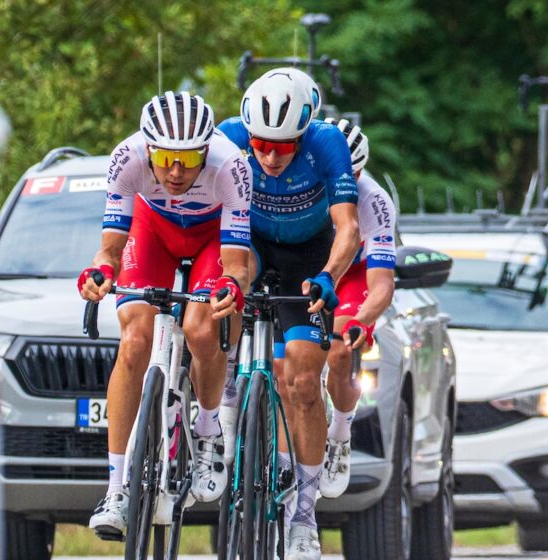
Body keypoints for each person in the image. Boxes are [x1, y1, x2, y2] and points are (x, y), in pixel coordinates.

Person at [79, 91, 252, 540]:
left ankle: (208, 430)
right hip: (152, 231)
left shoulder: (231, 165)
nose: (176, 172)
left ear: (206, 150)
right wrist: (100, 272)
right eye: (166, 158)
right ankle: (116, 490)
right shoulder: (127, 158)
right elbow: (110, 249)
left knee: (201, 329)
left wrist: (232, 285)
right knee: (134, 340)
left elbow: (236, 262)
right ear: (149, 149)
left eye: (189, 159)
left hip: (212, 239)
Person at [218, 68, 360, 560]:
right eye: (260, 145)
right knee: (225, 290)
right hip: (252, 244)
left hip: (308, 254)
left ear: (302, 135)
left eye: (283, 147)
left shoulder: (326, 143)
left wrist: (330, 275)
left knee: (301, 381)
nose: (270, 157)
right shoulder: (228, 137)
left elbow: (348, 228)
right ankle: (224, 394)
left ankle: (304, 514)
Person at [318, 117, 396, 498]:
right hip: (309, 264)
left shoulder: (374, 202)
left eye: (351, 174)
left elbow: (382, 284)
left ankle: (340, 432)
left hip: (353, 274)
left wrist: (362, 320)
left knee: (339, 350)